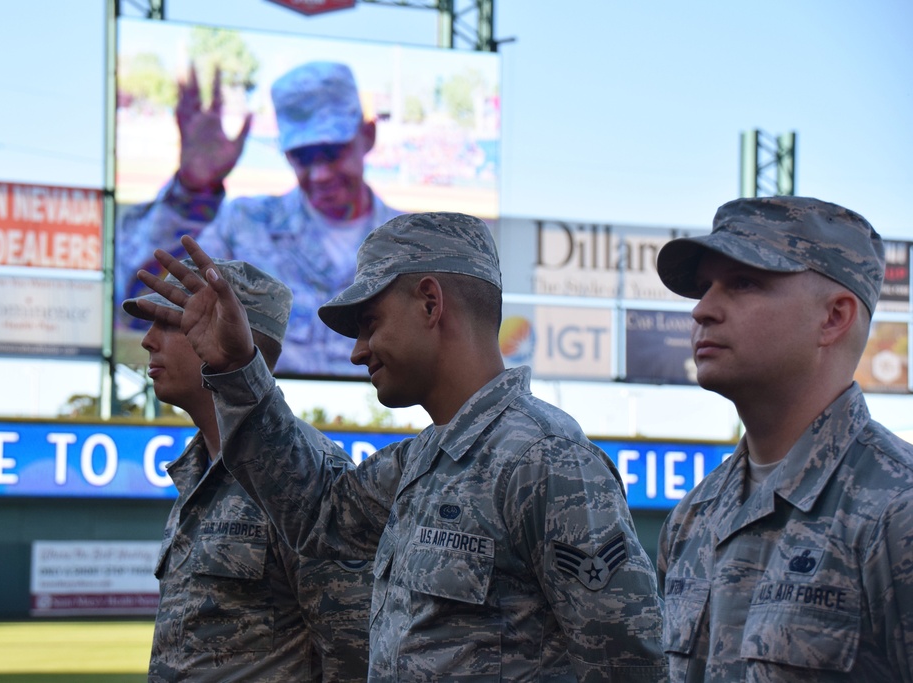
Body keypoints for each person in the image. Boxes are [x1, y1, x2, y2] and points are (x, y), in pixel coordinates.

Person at [133, 213, 667, 681]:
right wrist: (235, 368)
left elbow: (630, 663)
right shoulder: (419, 462)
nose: (357, 352)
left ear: (430, 303)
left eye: (370, 324)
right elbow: (314, 515)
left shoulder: (545, 459)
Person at [654, 195, 913, 681]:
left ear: (834, 317)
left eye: (744, 283)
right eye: (706, 287)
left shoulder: (896, 509)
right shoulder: (693, 519)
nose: (702, 310)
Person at [123, 259, 373, 682]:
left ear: (231, 331)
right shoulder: (197, 471)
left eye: (169, 321)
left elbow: (358, 654)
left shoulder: (305, 474)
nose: (148, 341)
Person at [117, 60, 403, 377]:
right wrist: (193, 192)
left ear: (368, 135)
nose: (320, 174)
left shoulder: (410, 242)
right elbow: (142, 306)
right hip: (262, 419)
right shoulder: (244, 226)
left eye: (333, 152)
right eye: (302, 157)